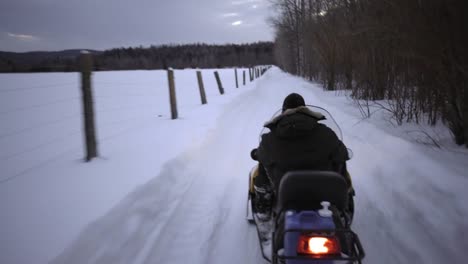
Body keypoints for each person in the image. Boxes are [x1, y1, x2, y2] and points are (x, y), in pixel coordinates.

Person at [253, 93, 353, 221]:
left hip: (286, 194)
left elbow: (261, 156)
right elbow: (342, 154)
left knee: (262, 164)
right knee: (340, 161)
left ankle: (264, 207)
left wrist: (260, 154)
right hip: (324, 193)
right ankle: (344, 204)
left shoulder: (270, 138)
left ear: (284, 111)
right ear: (304, 109)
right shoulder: (326, 132)